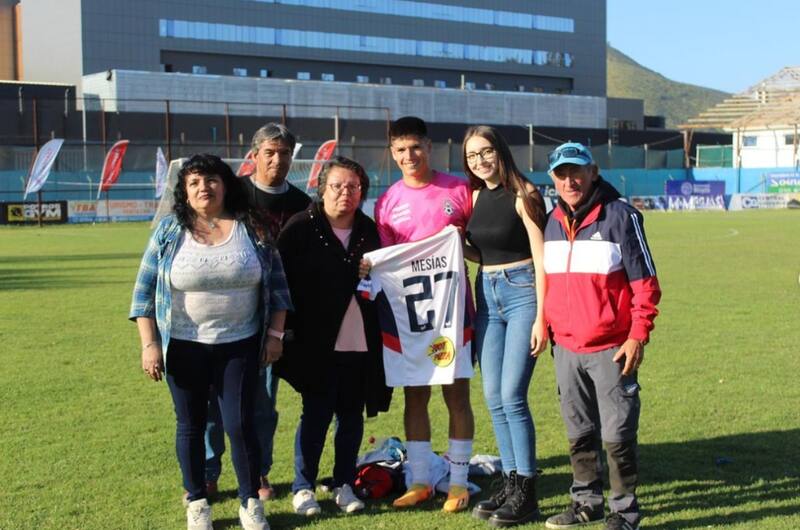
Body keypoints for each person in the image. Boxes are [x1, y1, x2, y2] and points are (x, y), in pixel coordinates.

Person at [130, 154, 292, 530]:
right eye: (194, 182)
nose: (204, 187)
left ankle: (250, 501)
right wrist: (149, 344)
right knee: (190, 424)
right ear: (184, 192)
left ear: (226, 185)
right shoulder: (169, 231)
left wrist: (275, 335)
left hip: (240, 344)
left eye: (211, 180)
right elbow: (143, 292)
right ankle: (197, 502)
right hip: (184, 345)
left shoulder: (253, 227)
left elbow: (279, 288)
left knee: (240, 424)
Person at [541, 143, 661, 530]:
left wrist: (637, 335)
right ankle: (585, 502)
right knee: (579, 431)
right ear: (553, 179)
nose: (569, 181)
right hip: (566, 348)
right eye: (561, 174)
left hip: (612, 347)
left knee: (617, 433)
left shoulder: (621, 216)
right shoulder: (551, 222)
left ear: (593, 172)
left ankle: (624, 512)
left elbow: (646, 284)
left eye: (577, 172)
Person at [367, 116, 475, 513]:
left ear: (429, 147)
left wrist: (463, 243)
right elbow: (386, 262)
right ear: (392, 153)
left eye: (415, 147)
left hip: (454, 311)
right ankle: (419, 480)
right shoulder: (387, 203)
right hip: (411, 317)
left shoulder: (459, 190)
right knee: (415, 395)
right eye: (400, 149)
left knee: (456, 394)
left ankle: (458, 482)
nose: (409, 155)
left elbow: (479, 245)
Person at [274, 156, 391, 516]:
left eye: (353, 187)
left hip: (359, 340)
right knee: (316, 414)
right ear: (322, 188)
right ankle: (303, 487)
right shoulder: (300, 228)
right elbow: (280, 284)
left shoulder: (369, 231)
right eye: (337, 186)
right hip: (314, 342)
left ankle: (344, 484)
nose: (345, 193)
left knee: (351, 416)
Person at [204, 123, 311, 501]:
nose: (277, 160)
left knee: (262, 402)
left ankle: (258, 470)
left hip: (274, 317)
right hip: (227, 313)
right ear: (254, 155)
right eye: (270, 152)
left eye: (284, 153)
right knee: (213, 399)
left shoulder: (302, 203)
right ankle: (208, 471)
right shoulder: (233, 195)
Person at [461, 126, 548, 527]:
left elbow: (541, 258)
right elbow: (483, 253)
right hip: (488, 294)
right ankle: (511, 484)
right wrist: (456, 244)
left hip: (523, 292)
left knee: (513, 394)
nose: (479, 161)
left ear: (500, 152)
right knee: (493, 396)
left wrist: (543, 317)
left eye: (485, 152)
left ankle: (527, 492)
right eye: (472, 156)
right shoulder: (474, 196)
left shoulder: (525, 194)